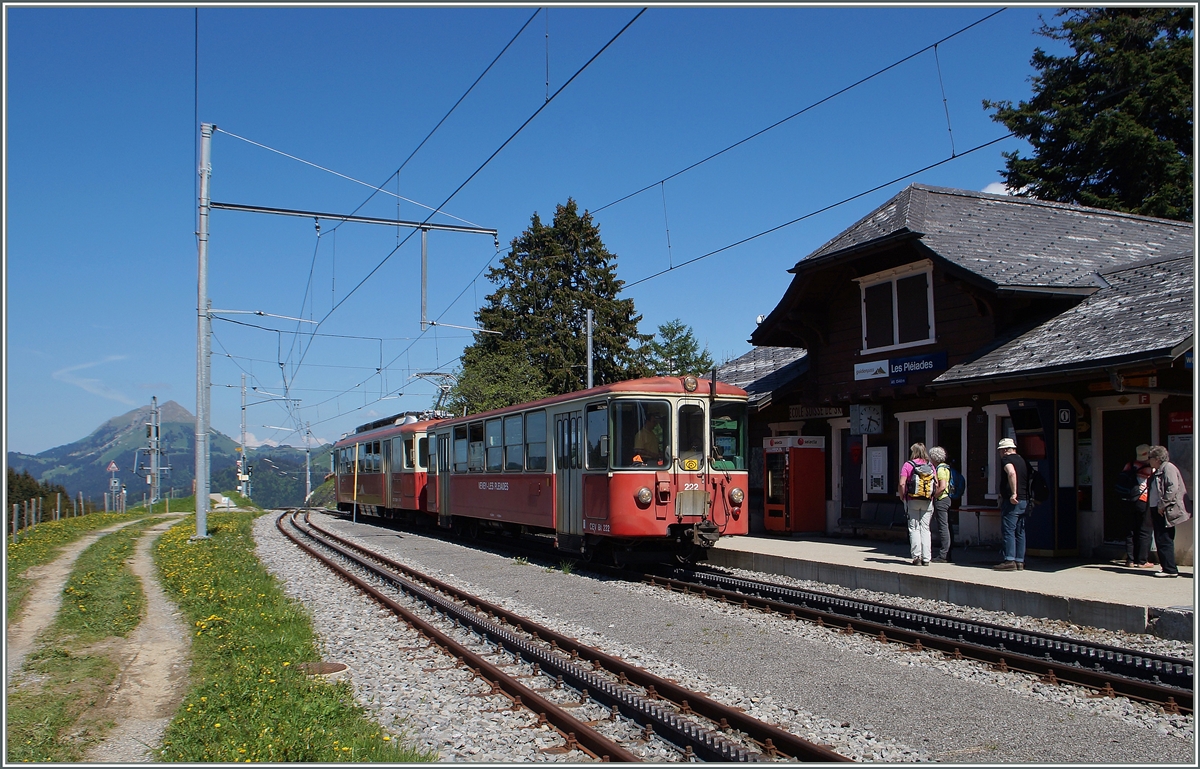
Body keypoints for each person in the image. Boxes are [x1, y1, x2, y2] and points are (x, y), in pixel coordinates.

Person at [1146, 445, 1190, 578]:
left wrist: (1162, 505)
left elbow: (1172, 488)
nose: (1149, 461)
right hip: (1157, 508)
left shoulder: (1168, 468)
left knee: (1164, 538)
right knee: (1160, 537)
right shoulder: (1159, 470)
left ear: (1158, 458)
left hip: (1164, 509)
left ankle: (1170, 569)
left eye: (1150, 458)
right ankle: (1166, 566)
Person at [995, 437, 1028, 571]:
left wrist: (1014, 493)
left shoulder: (1006, 460)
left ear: (1004, 450)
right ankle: (1020, 561)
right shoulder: (1023, 460)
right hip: (1025, 500)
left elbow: (1011, 473)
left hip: (1013, 501)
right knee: (1020, 531)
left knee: (1009, 530)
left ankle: (1009, 560)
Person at [898, 443, 934, 566]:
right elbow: (937, 484)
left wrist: (903, 497)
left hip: (912, 500)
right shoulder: (930, 466)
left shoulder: (908, 465)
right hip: (928, 501)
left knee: (914, 528)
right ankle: (926, 558)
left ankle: (916, 557)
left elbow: (902, 483)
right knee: (925, 529)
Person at [1120, 444, 1155, 568]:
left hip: (1128, 500)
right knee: (1145, 530)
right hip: (1143, 500)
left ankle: (1130, 559)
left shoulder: (1129, 465)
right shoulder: (1150, 468)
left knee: (1130, 530)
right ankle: (1142, 561)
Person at [928, 446, 953, 563]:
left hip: (942, 500)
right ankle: (947, 553)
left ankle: (944, 555)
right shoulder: (946, 468)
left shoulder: (941, 469)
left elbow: (942, 486)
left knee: (943, 528)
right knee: (947, 527)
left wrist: (934, 496)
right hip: (946, 499)